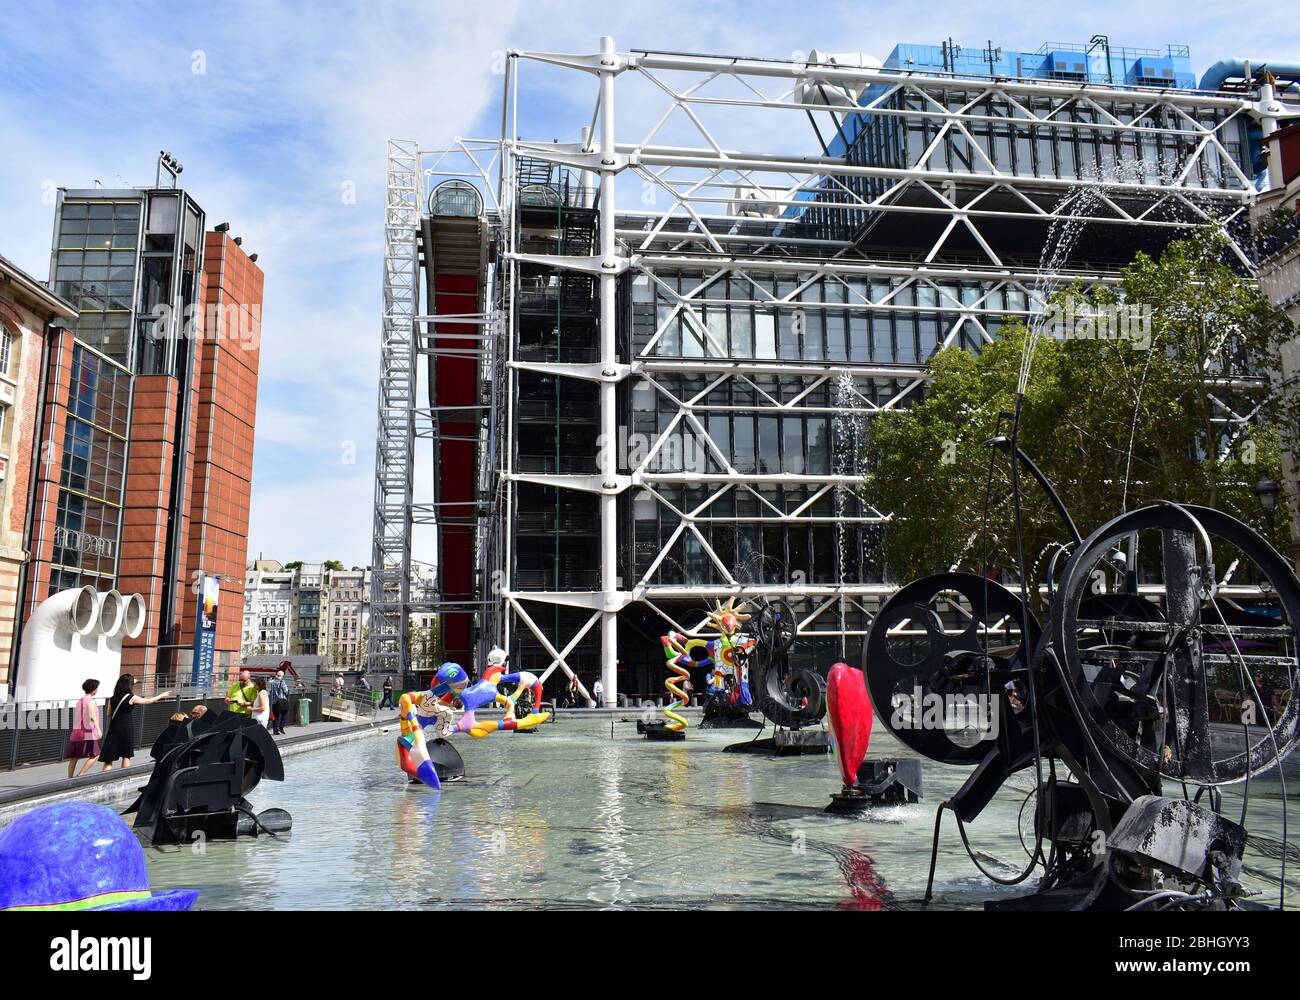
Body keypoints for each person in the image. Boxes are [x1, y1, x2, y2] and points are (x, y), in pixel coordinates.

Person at [98, 675, 173, 770]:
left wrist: (133, 681)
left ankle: (104, 781)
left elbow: (108, 713)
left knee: (108, 759)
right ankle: (123, 778)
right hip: (126, 728)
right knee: (126, 755)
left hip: (114, 727)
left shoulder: (112, 698)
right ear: (130, 685)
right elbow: (149, 701)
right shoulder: (131, 697)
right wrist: (162, 695)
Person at [65, 679, 102, 779]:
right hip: (88, 731)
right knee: (96, 754)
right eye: (97, 688)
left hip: (76, 731)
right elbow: (92, 716)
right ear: (93, 689)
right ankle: (80, 774)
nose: (97, 690)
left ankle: (69, 778)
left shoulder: (79, 701)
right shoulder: (91, 701)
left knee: (74, 757)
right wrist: (98, 729)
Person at [268, 669, 290, 735]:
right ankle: (281, 726)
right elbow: (286, 690)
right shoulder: (282, 682)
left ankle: (275, 731)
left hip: (274, 702)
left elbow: (269, 688)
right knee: (285, 713)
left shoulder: (272, 682)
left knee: (276, 716)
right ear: (282, 676)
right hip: (282, 701)